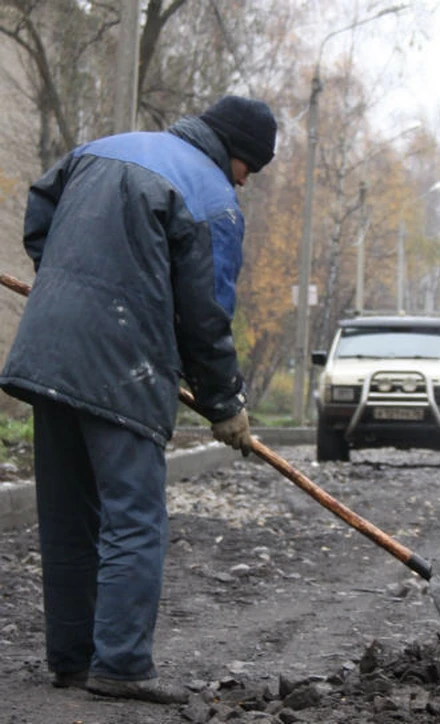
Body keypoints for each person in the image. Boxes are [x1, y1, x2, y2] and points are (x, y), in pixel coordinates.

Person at [0, 95, 277, 703]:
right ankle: (121, 666)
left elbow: (39, 220)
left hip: (46, 351)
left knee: (69, 517)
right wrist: (225, 402)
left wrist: (78, 284)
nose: (244, 182)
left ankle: (72, 660)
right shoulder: (210, 198)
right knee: (134, 517)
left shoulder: (99, 150)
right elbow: (206, 317)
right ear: (235, 154)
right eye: (248, 169)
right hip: (123, 368)